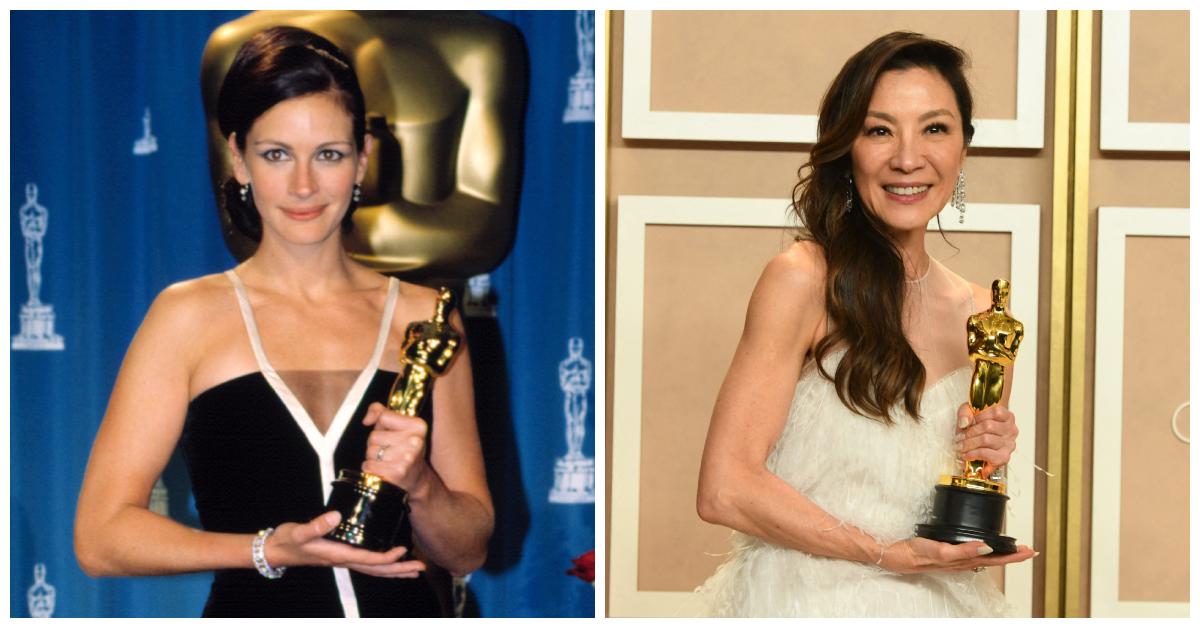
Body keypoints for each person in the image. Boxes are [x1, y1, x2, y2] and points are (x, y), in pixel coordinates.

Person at [74, 27, 492, 618]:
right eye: (277, 155)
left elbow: (467, 550)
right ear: (240, 159)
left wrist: (421, 483)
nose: (303, 185)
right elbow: (101, 537)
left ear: (361, 161)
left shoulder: (426, 316)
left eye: (328, 154)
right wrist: (266, 549)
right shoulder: (186, 317)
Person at [694, 32, 1036, 617]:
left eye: (934, 128)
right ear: (846, 148)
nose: (907, 157)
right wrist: (884, 554)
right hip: (807, 603)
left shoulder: (984, 316)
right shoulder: (802, 279)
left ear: (964, 148)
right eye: (880, 130)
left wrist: (984, 458)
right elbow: (724, 489)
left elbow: (944, 522)